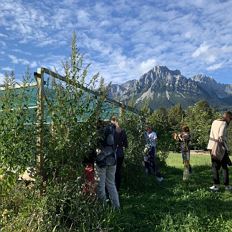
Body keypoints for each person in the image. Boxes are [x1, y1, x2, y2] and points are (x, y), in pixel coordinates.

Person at [95, 119, 120, 209]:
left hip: (102, 160)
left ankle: (103, 208)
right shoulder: (111, 129)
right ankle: (116, 207)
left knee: (100, 185)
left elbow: (95, 145)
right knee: (111, 183)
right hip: (112, 159)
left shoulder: (98, 132)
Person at [207, 111, 232, 191]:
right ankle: (227, 186)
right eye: (230, 118)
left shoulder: (214, 121)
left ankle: (216, 185)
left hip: (211, 146)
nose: (230, 121)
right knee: (224, 167)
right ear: (227, 117)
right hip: (220, 147)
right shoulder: (224, 123)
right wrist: (225, 147)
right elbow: (220, 136)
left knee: (214, 166)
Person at [111, 116, 128, 192]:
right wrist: (120, 144)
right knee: (118, 171)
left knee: (112, 172)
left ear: (114, 121)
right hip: (121, 154)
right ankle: (117, 188)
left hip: (114, 154)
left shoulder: (112, 131)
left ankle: (113, 188)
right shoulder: (123, 131)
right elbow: (126, 144)